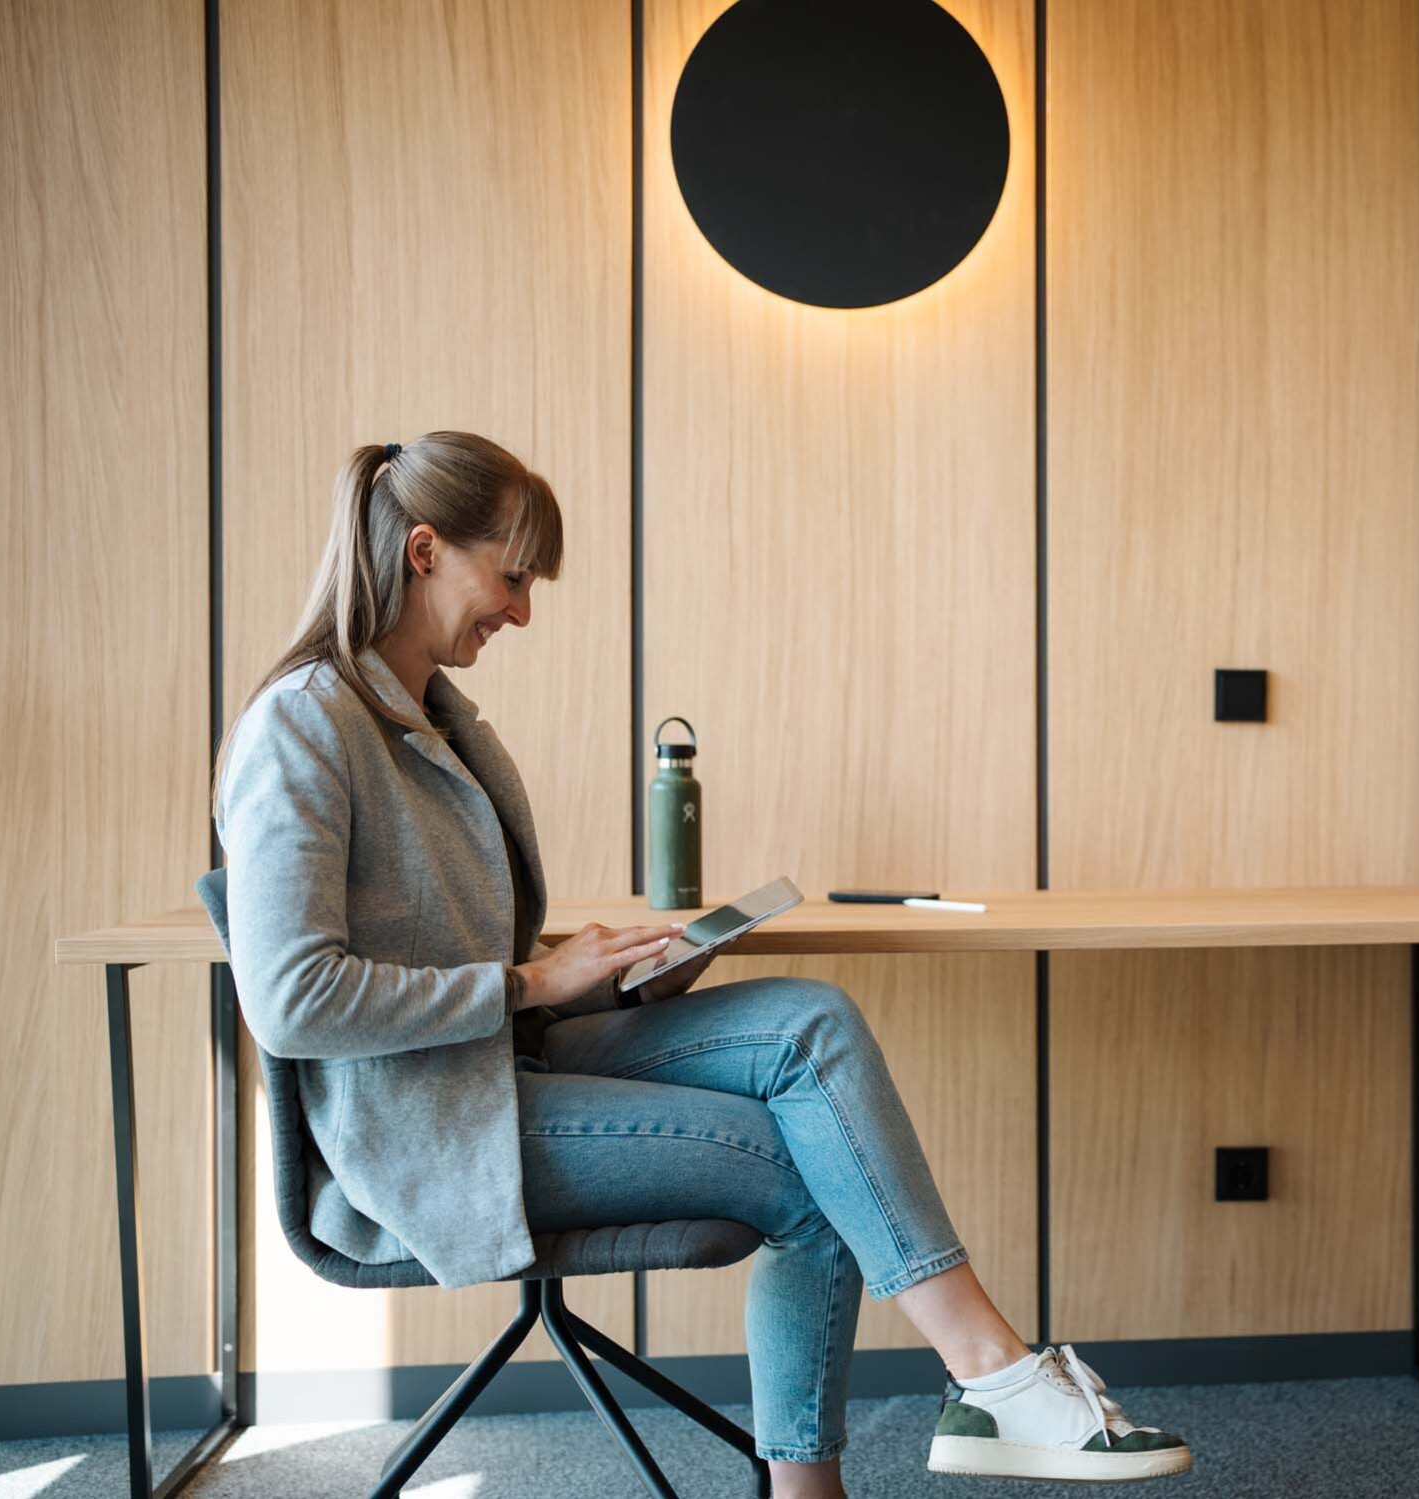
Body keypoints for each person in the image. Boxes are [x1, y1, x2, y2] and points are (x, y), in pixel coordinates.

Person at [214, 432, 1191, 1496]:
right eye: (512, 576)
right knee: (815, 1171)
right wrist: (536, 981)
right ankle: (971, 1394)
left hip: (503, 1056)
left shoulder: (437, 723)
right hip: (429, 1124)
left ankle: (988, 1376)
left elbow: (444, 946)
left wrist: (608, 972)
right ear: (422, 551)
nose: (523, 610)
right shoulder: (301, 726)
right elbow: (294, 998)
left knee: (808, 1023)